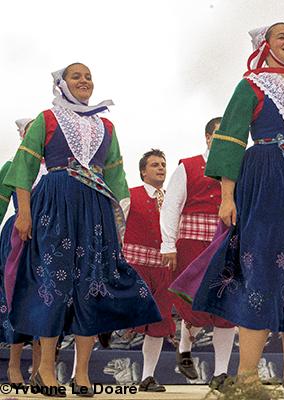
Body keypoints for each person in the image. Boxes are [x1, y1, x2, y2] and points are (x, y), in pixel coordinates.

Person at [172, 23, 284, 400]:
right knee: (260, 273)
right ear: (265, 46)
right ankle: (246, 377)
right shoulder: (251, 85)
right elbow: (232, 139)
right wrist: (227, 196)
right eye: (281, 37)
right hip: (267, 175)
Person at [3, 63, 161, 396]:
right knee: (53, 284)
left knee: (94, 286)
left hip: (96, 211)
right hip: (54, 207)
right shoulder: (46, 119)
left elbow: (116, 176)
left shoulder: (105, 125)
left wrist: (119, 221)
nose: (84, 81)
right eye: (76, 76)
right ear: (62, 84)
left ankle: (82, 372)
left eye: (88, 76)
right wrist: (25, 214)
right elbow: (24, 169)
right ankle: (45, 368)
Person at [160, 118, 236, 390]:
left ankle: (221, 373)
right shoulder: (189, 166)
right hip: (192, 244)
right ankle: (184, 349)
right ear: (207, 138)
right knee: (194, 305)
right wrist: (168, 244)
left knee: (227, 308)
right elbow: (171, 206)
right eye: (219, 134)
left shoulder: (239, 169)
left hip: (226, 244)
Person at [119, 149, 171, 392]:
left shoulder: (172, 199)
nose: (160, 168)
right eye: (154, 165)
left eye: (162, 164)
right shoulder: (129, 196)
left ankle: (147, 377)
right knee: (111, 314)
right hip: (135, 265)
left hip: (162, 268)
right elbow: (117, 230)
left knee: (158, 323)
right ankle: (80, 372)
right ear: (143, 171)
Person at [0, 119, 42, 388]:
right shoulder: (11, 167)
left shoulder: (53, 170)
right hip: (18, 235)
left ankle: (40, 369)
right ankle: (14, 366)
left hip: (49, 237)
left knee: (48, 300)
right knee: (18, 298)